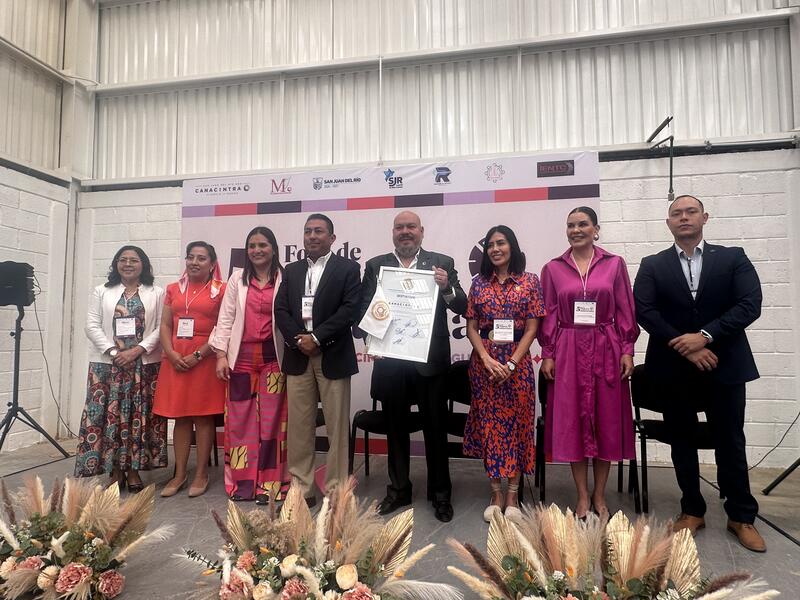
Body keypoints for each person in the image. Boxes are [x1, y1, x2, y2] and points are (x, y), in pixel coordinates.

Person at [633, 194, 765, 552]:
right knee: (682, 439)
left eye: (691, 211)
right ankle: (692, 509)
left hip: (725, 365)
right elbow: (645, 310)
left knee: (730, 440)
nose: (684, 217)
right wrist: (687, 345)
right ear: (668, 223)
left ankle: (741, 516)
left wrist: (705, 336)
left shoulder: (732, 258)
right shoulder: (653, 264)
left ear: (705, 217)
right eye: (676, 213)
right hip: (673, 368)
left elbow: (750, 304)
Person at [358, 210, 467, 523]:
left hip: (430, 363)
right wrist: (372, 340)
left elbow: (462, 305)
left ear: (421, 231)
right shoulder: (376, 266)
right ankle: (399, 490)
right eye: (399, 227)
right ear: (393, 232)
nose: (405, 232)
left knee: (435, 429)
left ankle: (440, 494)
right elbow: (364, 308)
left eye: (411, 227)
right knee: (395, 429)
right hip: (392, 362)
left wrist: (446, 288)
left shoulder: (441, 263)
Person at [538, 207, 638, 519]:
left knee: (606, 421)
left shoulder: (614, 264)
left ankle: (599, 495)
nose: (576, 230)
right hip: (568, 349)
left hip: (606, 347)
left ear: (596, 229)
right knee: (573, 423)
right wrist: (548, 353)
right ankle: (582, 495)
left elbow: (625, 309)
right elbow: (549, 314)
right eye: (571, 225)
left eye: (583, 224)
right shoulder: (553, 268)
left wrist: (627, 349)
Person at [274, 214, 361, 505]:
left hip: (333, 354)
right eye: (308, 231)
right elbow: (281, 309)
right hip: (298, 356)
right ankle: (302, 490)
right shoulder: (292, 270)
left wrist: (318, 337)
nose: (312, 236)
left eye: (319, 231)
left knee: (337, 427)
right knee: (299, 427)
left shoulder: (348, 268)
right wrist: (300, 340)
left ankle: (336, 491)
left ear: (332, 238)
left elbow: (349, 309)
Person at [464, 225, 545, 522]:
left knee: (517, 426)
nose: (495, 249)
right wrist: (485, 359)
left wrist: (511, 364)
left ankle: (513, 494)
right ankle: (495, 493)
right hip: (485, 366)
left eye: (501, 243)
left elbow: (533, 328)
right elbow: (472, 327)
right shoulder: (478, 284)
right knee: (490, 428)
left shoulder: (529, 281)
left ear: (512, 246)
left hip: (517, 365)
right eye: (490, 245)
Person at [76, 245, 167, 492]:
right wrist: (114, 352)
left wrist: (137, 350)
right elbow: (91, 325)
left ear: (143, 264)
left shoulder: (156, 292)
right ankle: (115, 471)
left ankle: (134, 470)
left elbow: (161, 327)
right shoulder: (101, 291)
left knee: (138, 418)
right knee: (110, 418)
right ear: (116, 264)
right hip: (108, 366)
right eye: (123, 259)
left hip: (142, 365)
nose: (128, 264)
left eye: (134, 260)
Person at [210, 227, 289, 504]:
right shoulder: (237, 279)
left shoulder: (285, 278)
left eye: (263, 245)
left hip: (273, 360)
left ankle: (269, 485)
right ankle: (243, 484)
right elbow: (226, 318)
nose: (257, 250)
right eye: (252, 245)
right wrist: (221, 355)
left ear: (273, 248)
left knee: (272, 425)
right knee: (240, 424)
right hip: (240, 360)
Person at [153, 241, 226, 498]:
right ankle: (180, 473)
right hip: (175, 360)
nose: (194, 262)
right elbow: (165, 325)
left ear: (212, 264)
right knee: (180, 417)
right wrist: (171, 354)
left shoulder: (221, 290)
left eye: (201, 258)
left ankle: (201, 474)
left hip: (205, 359)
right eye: (191, 257)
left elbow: (222, 327)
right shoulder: (173, 289)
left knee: (203, 417)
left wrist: (198, 354)